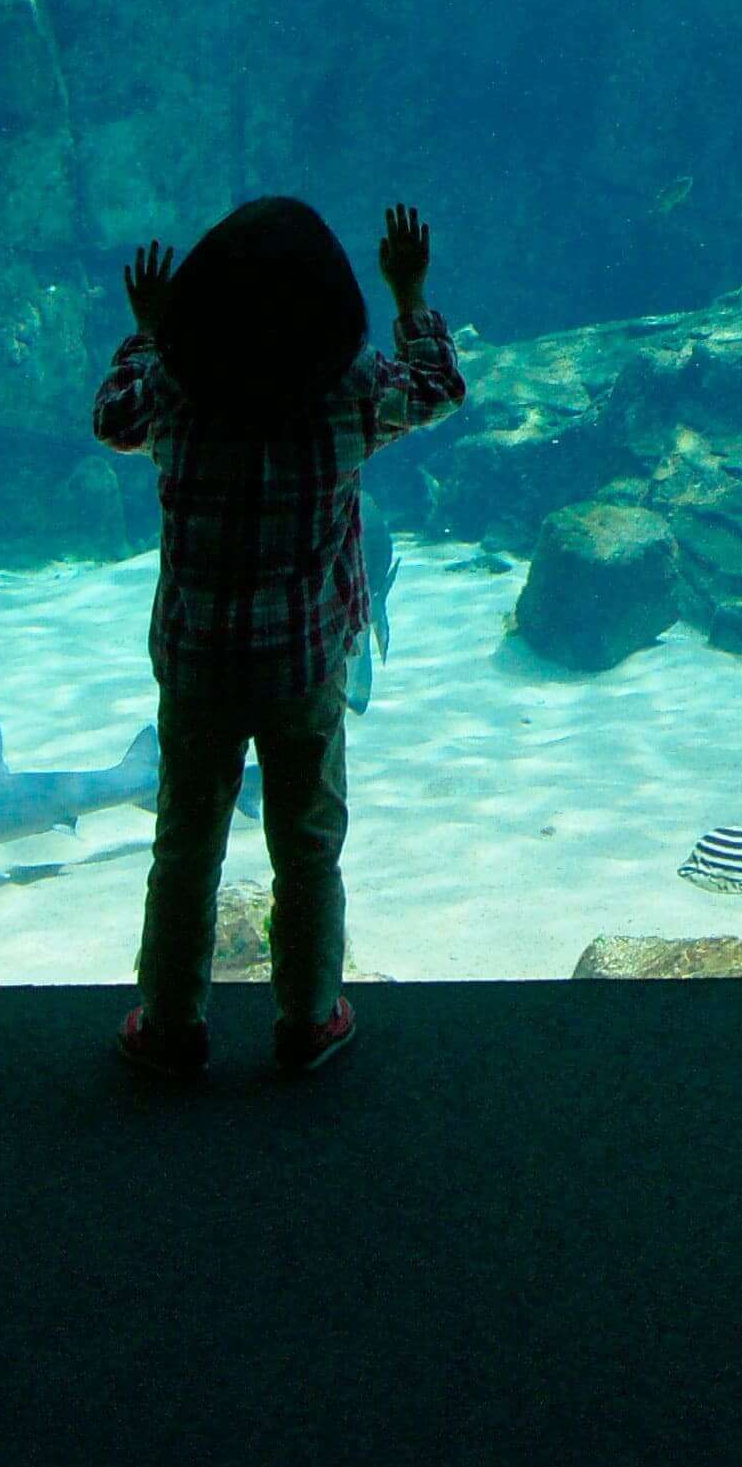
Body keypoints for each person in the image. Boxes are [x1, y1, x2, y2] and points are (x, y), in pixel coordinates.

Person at [89, 199, 462, 1083]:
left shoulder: (173, 392)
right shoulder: (354, 393)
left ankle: (170, 1027)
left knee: (184, 849)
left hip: (196, 669)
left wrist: (145, 334)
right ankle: (306, 1020)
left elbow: (111, 418)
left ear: (193, 307)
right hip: (303, 670)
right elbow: (442, 388)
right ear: (337, 310)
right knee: (307, 849)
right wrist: (410, 295)